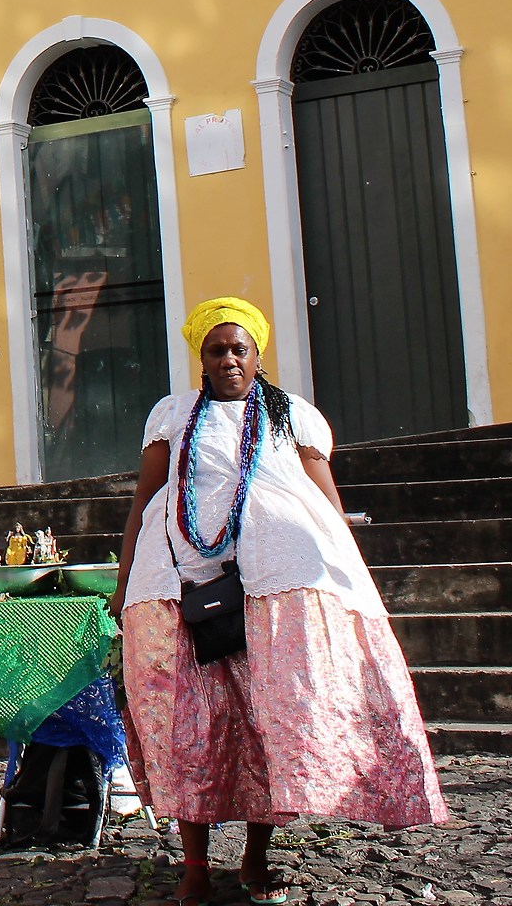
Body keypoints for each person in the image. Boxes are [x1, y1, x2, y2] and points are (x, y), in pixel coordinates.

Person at [113, 297, 444, 903]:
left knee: (267, 725)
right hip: (174, 587)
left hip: (276, 593)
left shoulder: (292, 414)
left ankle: (255, 859)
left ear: (257, 355)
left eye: (239, 349)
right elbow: (145, 497)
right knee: (188, 727)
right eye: (217, 350)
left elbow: (326, 503)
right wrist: (124, 578)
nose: (229, 360)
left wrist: (347, 574)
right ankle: (194, 866)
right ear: (201, 359)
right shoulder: (173, 414)